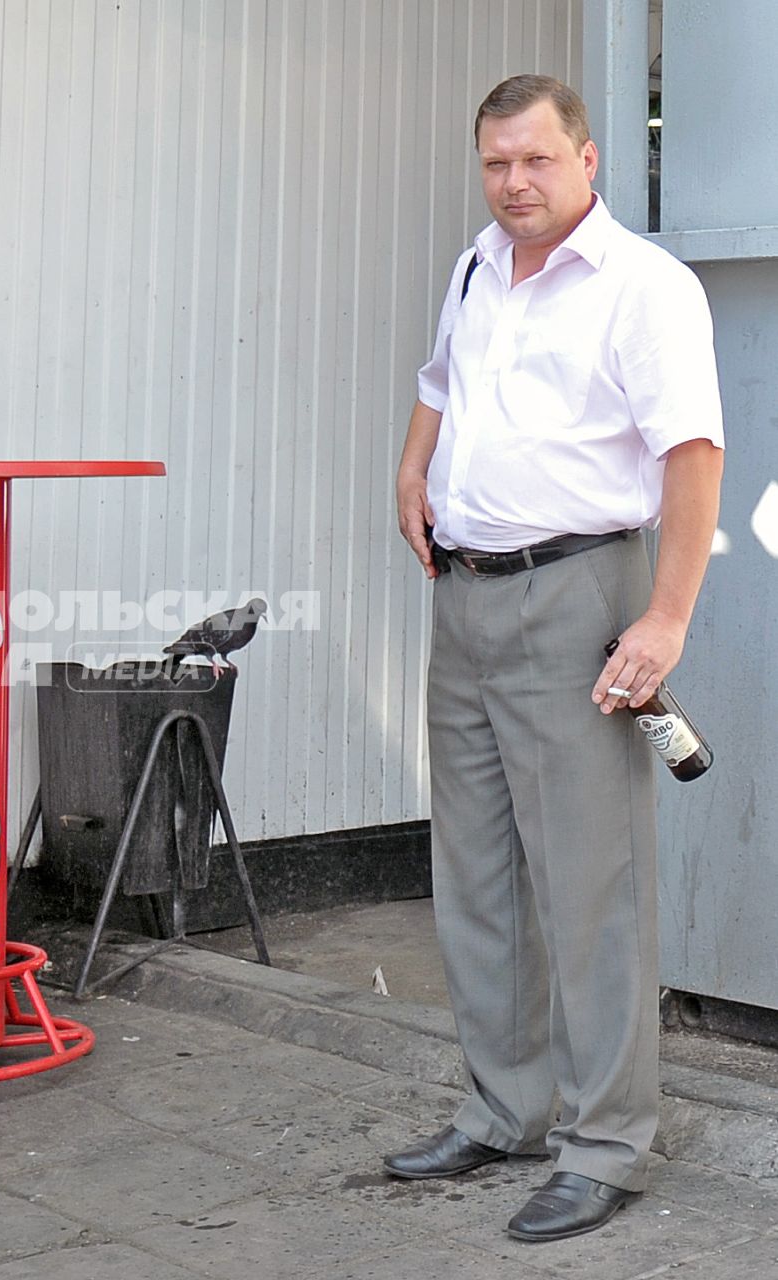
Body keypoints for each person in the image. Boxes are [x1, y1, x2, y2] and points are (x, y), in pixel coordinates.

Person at [388, 75, 724, 1242]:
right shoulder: (478, 266)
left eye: (536, 160)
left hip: (583, 591)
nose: (514, 183)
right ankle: (502, 1106)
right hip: (466, 594)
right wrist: (412, 466)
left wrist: (668, 616)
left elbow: (692, 454)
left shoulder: (646, 287)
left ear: (589, 159)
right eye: (495, 164)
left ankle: (608, 1139)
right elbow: (440, 384)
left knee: (590, 885)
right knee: (475, 872)